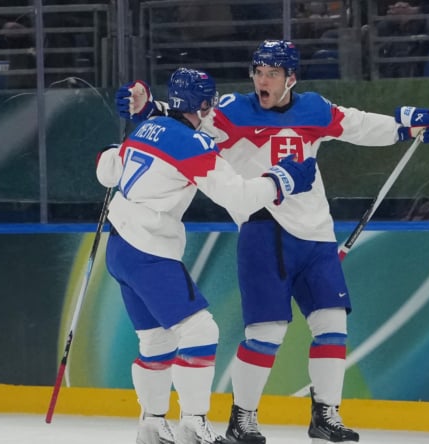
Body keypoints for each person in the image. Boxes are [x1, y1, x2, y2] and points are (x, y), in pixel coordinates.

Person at [116, 39, 429, 444]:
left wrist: (405, 126)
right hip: (264, 231)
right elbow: (188, 120)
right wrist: (149, 108)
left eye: (272, 73)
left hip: (316, 235)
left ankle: (326, 414)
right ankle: (243, 418)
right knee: (267, 333)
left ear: (291, 78)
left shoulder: (315, 109)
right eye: (258, 72)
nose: (263, 81)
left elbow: (357, 124)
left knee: (333, 325)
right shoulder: (232, 111)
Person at [100, 67, 317, 444]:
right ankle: (192, 423)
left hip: (119, 247)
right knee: (201, 330)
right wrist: (283, 180)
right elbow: (239, 198)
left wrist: (111, 147)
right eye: (209, 103)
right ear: (202, 104)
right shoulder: (191, 143)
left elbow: (107, 172)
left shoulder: (146, 128)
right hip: (149, 248)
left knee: (156, 341)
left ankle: (151, 423)